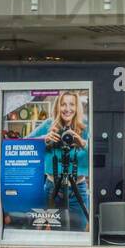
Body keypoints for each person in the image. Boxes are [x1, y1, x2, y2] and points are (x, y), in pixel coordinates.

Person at [43, 91, 91, 230]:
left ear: (77, 108)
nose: (67, 108)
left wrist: (82, 143)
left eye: (72, 104)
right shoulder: (48, 125)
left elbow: (99, 152)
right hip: (53, 187)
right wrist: (45, 139)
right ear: (58, 107)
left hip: (78, 187)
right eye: (63, 104)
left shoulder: (85, 127)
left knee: (79, 229)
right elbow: (25, 143)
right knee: (55, 232)